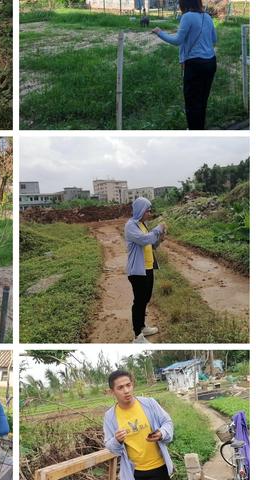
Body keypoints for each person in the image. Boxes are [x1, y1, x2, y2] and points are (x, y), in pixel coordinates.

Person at [152, 0, 217, 130]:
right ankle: (200, 129)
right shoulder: (208, 17)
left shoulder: (187, 17)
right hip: (210, 62)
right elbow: (214, 39)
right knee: (203, 100)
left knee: (192, 102)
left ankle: (194, 131)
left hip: (195, 65)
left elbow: (177, 40)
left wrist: (160, 32)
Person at [104, 370, 174, 480]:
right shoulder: (110, 416)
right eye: (120, 388)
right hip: (135, 473)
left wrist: (162, 433)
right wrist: (117, 440)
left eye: (128, 385)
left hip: (160, 468)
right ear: (112, 392)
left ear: (133, 385)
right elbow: (110, 446)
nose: (126, 390)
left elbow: (167, 422)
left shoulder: (149, 403)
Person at [124, 197, 166, 343]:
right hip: (137, 271)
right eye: (148, 211)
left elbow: (152, 244)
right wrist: (156, 230)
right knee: (139, 302)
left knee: (145, 299)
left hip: (148, 268)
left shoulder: (143, 225)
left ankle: (142, 327)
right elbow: (143, 240)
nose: (149, 213)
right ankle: (137, 336)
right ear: (141, 210)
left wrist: (160, 237)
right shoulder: (131, 225)